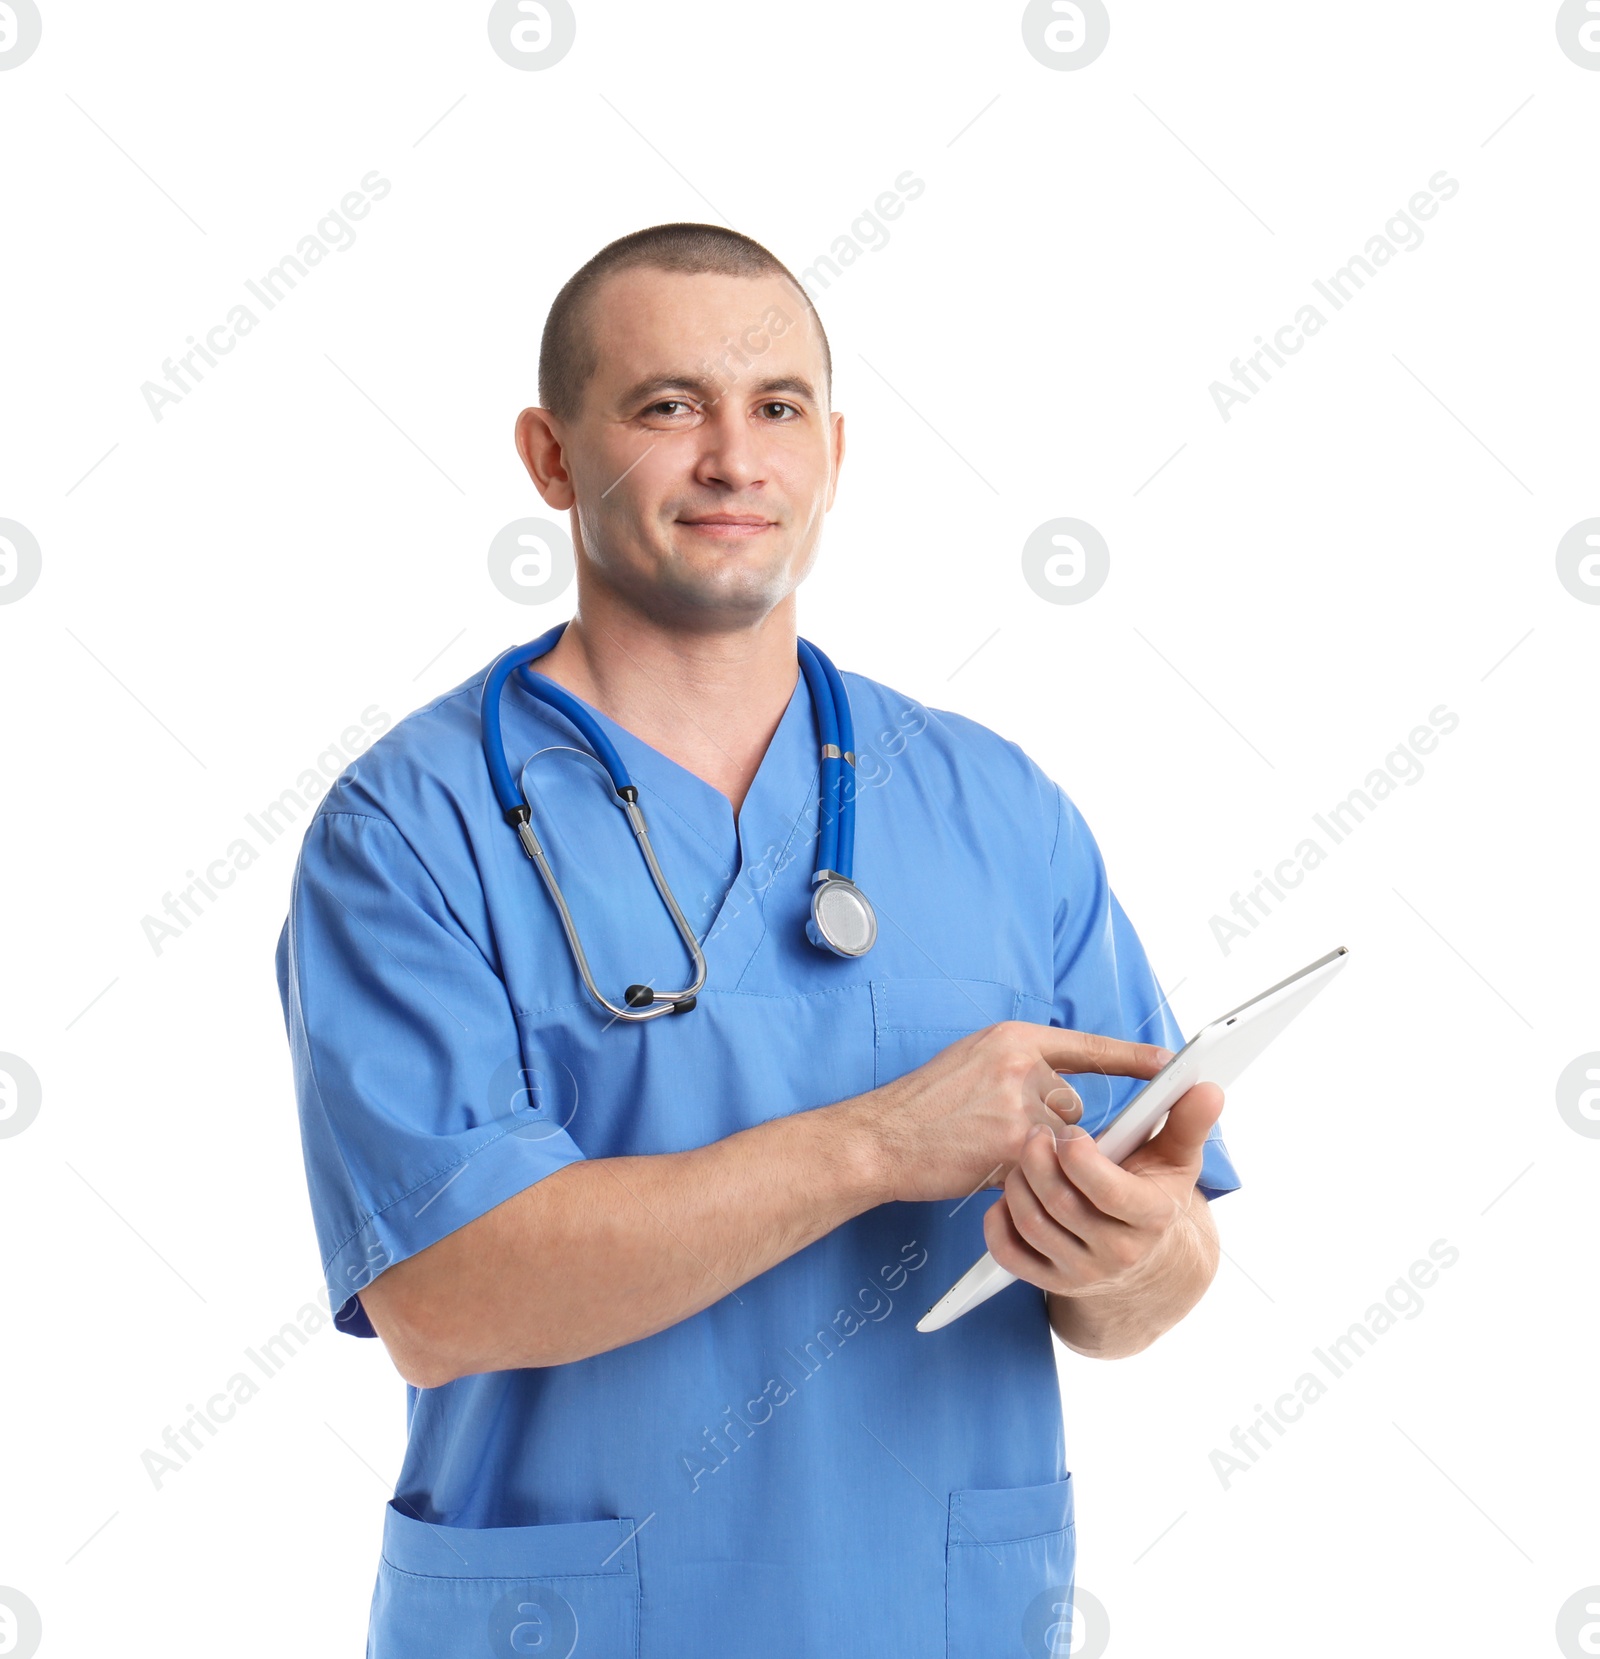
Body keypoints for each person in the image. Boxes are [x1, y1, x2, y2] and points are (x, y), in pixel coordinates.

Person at [274, 221, 1239, 1659]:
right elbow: (444, 1295)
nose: (736, 459)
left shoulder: (997, 809)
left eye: (777, 408)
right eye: (669, 407)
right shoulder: (413, 829)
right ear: (550, 457)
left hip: (940, 1615)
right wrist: (873, 1147)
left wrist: (1131, 1253)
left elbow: (1143, 1284)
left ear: (834, 451)